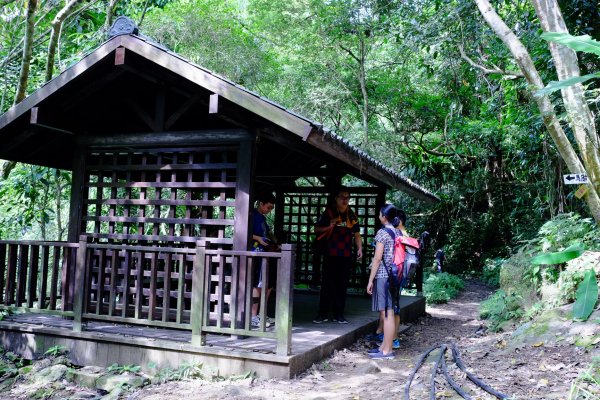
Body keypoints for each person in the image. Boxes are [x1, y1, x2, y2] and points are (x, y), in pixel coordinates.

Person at [312, 187, 363, 324]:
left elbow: (357, 235)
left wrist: (360, 249)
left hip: (345, 255)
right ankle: (322, 314)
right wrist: (329, 226)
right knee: (327, 284)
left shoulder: (352, 215)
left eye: (347, 197)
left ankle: (339, 314)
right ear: (336, 198)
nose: (345, 200)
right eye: (342, 197)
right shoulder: (328, 213)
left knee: (342, 285)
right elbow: (316, 229)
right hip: (330, 254)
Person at [366, 204, 404, 360]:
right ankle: (383, 347)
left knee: (387, 313)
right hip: (395, 276)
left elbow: (377, 258)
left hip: (384, 275)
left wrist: (370, 280)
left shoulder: (382, 233)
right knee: (388, 311)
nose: (379, 216)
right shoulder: (397, 232)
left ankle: (387, 351)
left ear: (384, 216)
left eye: (380, 213)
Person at [250, 192, 278, 328]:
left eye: (272, 208)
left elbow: (268, 233)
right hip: (255, 254)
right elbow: (245, 232)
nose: (270, 210)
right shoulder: (252, 216)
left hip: (264, 254)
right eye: (268, 207)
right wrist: (258, 238)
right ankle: (253, 316)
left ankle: (261, 313)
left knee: (266, 285)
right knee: (257, 285)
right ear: (261, 203)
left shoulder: (262, 218)